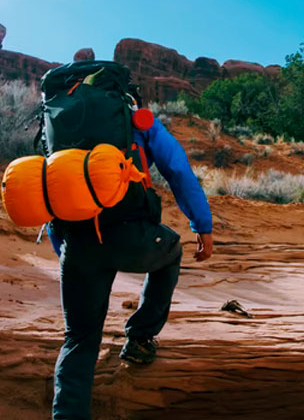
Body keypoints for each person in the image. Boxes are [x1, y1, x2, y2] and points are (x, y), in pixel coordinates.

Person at [48, 111, 214, 420]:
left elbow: (48, 189)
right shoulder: (134, 118)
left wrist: (64, 254)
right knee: (172, 251)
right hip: (133, 237)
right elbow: (178, 171)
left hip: (78, 242)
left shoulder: (59, 122)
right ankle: (139, 339)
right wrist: (202, 225)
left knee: (79, 338)